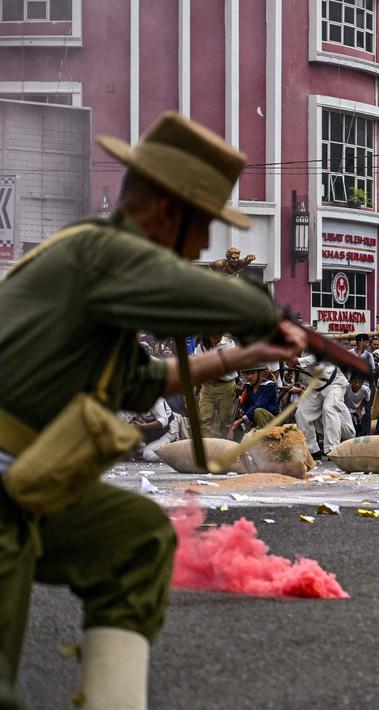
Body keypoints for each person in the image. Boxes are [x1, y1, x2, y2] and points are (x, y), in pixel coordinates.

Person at [0, 112, 307, 709]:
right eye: (202, 230)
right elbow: (211, 295)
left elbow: (141, 381)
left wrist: (247, 353)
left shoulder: (102, 267)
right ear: (168, 211)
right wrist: (263, 312)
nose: (200, 248)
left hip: (23, 481)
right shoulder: (104, 252)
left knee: (137, 538)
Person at [193, 335, 238, 438]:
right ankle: (208, 447)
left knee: (226, 420)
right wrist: (197, 391)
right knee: (204, 418)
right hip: (207, 386)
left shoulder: (228, 344)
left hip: (225, 386)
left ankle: (225, 447)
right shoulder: (202, 346)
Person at [227, 365, 280, 439]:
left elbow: (259, 405)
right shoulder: (248, 386)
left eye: (252, 373)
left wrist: (241, 420)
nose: (249, 377)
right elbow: (243, 404)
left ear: (262, 373)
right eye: (248, 374)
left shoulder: (269, 386)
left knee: (258, 411)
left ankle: (264, 439)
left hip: (272, 422)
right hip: (254, 421)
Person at [123, 397, 180, 463]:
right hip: (149, 434)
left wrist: (143, 426)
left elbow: (164, 421)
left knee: (149, 455)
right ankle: (143, 447)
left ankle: (174, 448)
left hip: (167, 431)